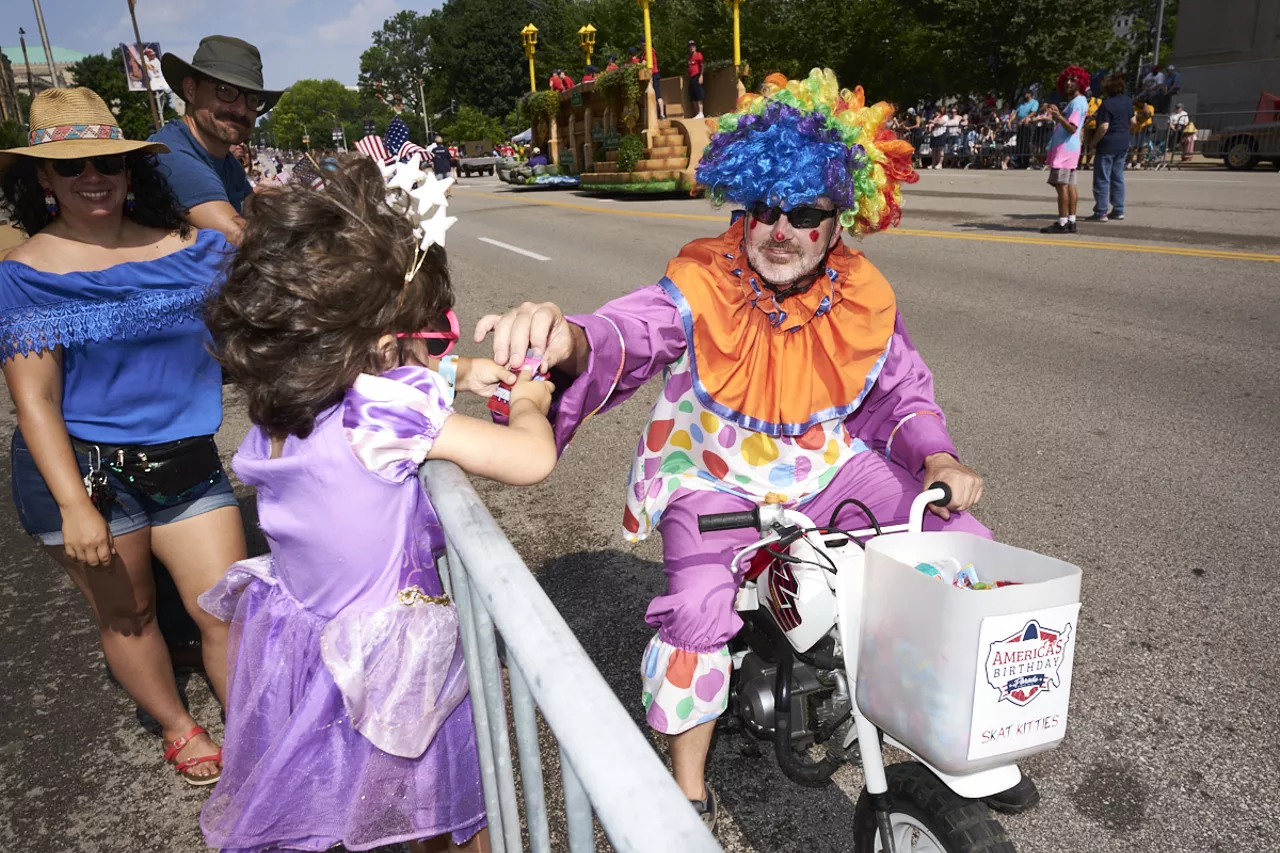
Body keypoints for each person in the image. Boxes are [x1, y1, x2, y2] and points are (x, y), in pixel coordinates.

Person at [475, 68, 1038, 831]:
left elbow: (902, 393)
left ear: (839, 217)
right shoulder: (704, 275)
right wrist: (565, 333)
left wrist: (937, 458)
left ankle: (954, 732)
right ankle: (687, 788)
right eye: (763, 206)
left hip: (823, 467)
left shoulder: (864, 291)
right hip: (713, 472)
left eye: (804, 211)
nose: (779, 229)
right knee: (702, 611)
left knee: (958, 545)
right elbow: (631, 332)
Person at [201, 154, 556, 852]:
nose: (420, 349)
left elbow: (374, 387)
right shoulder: (384, 411)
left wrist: (450, 371)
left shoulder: (281, 409)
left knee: (341, 806)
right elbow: (531, 459)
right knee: (440, 810)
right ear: (381, 343)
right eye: (418, 336)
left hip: (304, 640)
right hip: (388, 659)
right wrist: (532, 399)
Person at [0, 87, 244, 784]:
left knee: (223, 611)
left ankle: (254, 729)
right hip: (84, 474)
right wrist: (75, 505)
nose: (93, 176)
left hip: (187, 460)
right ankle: (178, 724)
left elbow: (267, 324)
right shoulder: (24, 276)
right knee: (132, 614)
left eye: (108, 159)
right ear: (42, 178)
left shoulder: (197, 251)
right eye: (72, 168)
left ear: (132, 167)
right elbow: (36, 400)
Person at [152, 35, 284, 244]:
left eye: (252, 99)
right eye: (225, 91)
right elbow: (239, 236)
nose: (241, 109)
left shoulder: (224, 160)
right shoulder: (170, 155)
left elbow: (254, 213)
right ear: (191, 90)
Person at [1039, 66, 1090, 234]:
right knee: (1069, 186)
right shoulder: (1077, 102)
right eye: (1067, 80)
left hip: (1065, 150)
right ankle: (1071, 221)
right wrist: (1059, 112)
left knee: (1062, 186)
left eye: (1073, 80)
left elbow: (1072, 128)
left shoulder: (1078, 103)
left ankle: (1062, 223)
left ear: (1080, 82)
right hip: (1070, 149)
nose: (1069, 83)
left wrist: (1058, 116)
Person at [1086, 72, 1134, 223]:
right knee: (1117, 177)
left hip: (1108, 143)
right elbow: (1133, 121)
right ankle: (1118, 209)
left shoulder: (1106, 104)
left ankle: (1101, 211)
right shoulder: (1127, 101)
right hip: (1123, 142)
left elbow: (1103, 126)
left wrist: (1094, 142)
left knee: (1102, 178)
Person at [1129, 97, 1155, 167]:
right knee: (1131, 147)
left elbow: (1147, 115)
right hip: (1133, 130)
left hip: (1143, 130)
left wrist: (1145, 106)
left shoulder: (1150, 107)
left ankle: (1138, 163)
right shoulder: (1133, 107)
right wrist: (1139, 116)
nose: (1138, 104)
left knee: (1141, 147)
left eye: (1140, 102)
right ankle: (1129, 162)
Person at [687, 40, 706, 119]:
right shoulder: (689, 57)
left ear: (695, 47)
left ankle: (701, 112)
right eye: (690, 46)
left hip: (697, 76)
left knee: (699, 94)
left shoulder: (698, 55)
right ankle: (697, 112)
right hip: (691, 77)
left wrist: (701, 75)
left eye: (693, 46)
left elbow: (702, 65)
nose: (692, 48)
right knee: (692, 95)